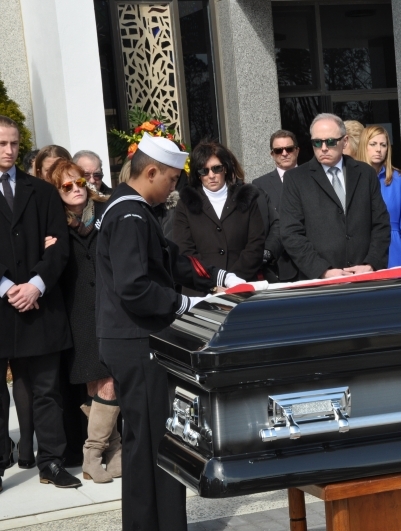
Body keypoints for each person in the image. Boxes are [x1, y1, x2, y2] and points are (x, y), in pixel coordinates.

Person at [95, 133, 245, 530]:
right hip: (135, 339)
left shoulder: (133, 209)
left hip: (134, 338)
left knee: (154, 440)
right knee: (151, 443)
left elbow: (171, 259)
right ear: (151, 172)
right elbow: (134, 286)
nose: (174, 187)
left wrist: (220, 278)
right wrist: (185, 304)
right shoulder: (129, 215)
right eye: (172, 179)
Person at [0, 115, 82, 492]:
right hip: (2, 305)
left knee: (47, 390)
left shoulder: (43, 191)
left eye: (14, 143)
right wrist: (7, 287)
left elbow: (59, 245)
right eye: (2, 143)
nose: (9, 150)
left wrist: (35, 285)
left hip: (40, 306)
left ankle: (51, 461)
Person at [46, 159, 120, 483]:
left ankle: (103, 452)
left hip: (110, 309)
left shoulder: (106, 211)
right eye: (67, 185)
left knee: (107, 383)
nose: (76, 188)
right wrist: (45, 248)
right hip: (78, 315)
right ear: (57, 191)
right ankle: (103, 453)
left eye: (79, 181)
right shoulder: (53, 225)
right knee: (98, 383)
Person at [281, 113, 390, 279]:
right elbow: (291, 233)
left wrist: (371, 264)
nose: (324, 148)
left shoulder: (365, 173)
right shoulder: (296, 179)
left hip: (364, 277)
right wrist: (322, 271)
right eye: (317, 142)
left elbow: (381, 223)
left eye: (330, 141)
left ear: (345, 141)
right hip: (320, 282)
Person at [172, 142, 266, 296]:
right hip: (201, 291)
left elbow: (256, 245)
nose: (211, 175)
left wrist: (233, 281)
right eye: (204, 170)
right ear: (198, 174)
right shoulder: (185, 204)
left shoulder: (246, 198)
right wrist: (215, 281)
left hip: (242, 285)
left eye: (217, 168)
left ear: (226, 168)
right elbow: (185, 250)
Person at [355, 125, 401, 267]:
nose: (379, 149)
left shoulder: (399, 179)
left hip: (394, 255)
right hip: (361, 256)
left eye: (383, 145)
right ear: (364, 146)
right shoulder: (352, 178)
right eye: (373, 144)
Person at [252, 130, 299, 282]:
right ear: (272, 154)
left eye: (289, 149)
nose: (284, 153)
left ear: (297, 150)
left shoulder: (313, 178)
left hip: (314, 261)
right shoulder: (260, 185)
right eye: (279, 150)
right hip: (279, 265)